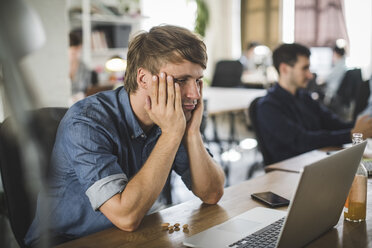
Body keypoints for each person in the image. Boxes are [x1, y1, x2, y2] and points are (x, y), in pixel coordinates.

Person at [25, 25, 225, 245]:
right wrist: (171, 134)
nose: (195, 94)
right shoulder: (86, 121)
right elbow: (126, 216)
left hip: (129, 237)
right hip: (67, 241)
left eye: (198, 81)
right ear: (143, 79)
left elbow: (212, 193)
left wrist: (192, 132)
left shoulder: (172, 119)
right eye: (180, 81)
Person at [255, 43, 372, 164]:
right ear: (284, 69)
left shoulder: (305, 98)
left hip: (315, 161)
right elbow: (302, 141)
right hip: (288, 172)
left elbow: (335, 124)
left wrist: (364, 127)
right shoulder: (268, 106)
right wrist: (352, 134)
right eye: (304, 68)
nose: (310, 75)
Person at [69, 30, 96, 104]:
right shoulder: (60, 68)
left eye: (78, 50)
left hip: (80, 104)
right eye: (73, 52)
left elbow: (89, 91)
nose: (76, 55)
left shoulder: (84, 68)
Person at [323, 41, 347, 105]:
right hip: (336, 90)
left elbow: (328, 78)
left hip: (332, 92)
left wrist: (321, 79)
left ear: (336, 53)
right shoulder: (342, 64)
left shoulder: (339, 66)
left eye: (333, 53)